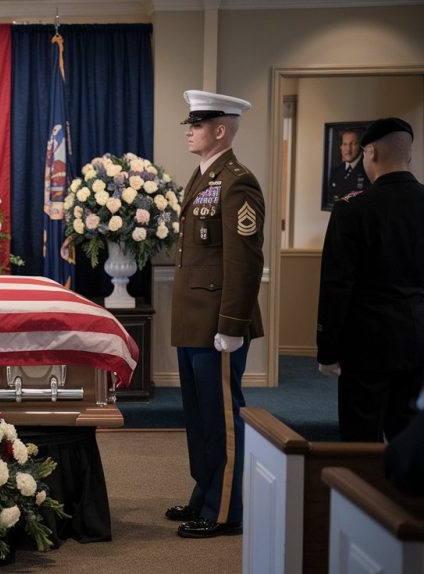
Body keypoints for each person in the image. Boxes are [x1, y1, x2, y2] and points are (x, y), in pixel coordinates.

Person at [168, 90, 265, 539]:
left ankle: (224, 509)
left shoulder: (236, 180)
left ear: (220, 129)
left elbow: (244, 262)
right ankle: (204, 491)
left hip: (216, 326)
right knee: (200, 415)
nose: (189, 130)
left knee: (222, 417)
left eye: (198, 123)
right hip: (193, 320)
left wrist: (232, 326)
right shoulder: (203, 176)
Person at [317, 117, 424, 442]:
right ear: (408, 154)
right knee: (409, 436)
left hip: (366, 347)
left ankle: (362, 495)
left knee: (360, 440)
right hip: (418, 339)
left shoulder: (352, 209)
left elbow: (337, 285)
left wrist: (328, 350)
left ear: (372, 152)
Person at [327, 128, 368, 206]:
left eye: (353, 144)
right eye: (345, 144)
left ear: (360, 145)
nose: (348, 149)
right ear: (341, 147)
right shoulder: (335, 171)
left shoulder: (368, 170)